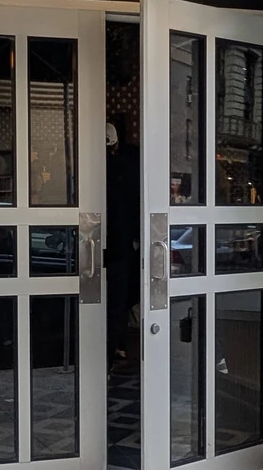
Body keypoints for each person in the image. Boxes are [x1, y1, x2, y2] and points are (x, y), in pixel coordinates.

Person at [105, 121, 140, 365]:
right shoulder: (126, 169)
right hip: (120, 245)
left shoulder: (85, 169)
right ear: (115, 144)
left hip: (90, 245)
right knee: (117, 302)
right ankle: (116, 347)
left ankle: (99, 348)